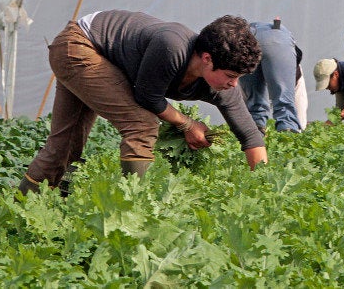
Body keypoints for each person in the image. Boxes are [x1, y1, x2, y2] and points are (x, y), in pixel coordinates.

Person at [17, 10, 268, 196]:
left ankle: (23, 210)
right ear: (207, 58)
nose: (234, 84)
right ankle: (135, 209)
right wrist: (187, 124)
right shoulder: (172, 46)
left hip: (97, 54)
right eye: (231, 76)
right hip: (79, 45)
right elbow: (147, 97)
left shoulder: (222, 87)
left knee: (66, 144)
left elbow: (250, 136)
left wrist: (265, 190)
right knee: (142, 124)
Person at [239, 20, 303, 133]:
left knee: (254, 104)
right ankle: (287, 136)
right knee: (284, 105)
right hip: (276, 37)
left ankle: (255, 136)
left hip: (246, 37)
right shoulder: (297, 73)